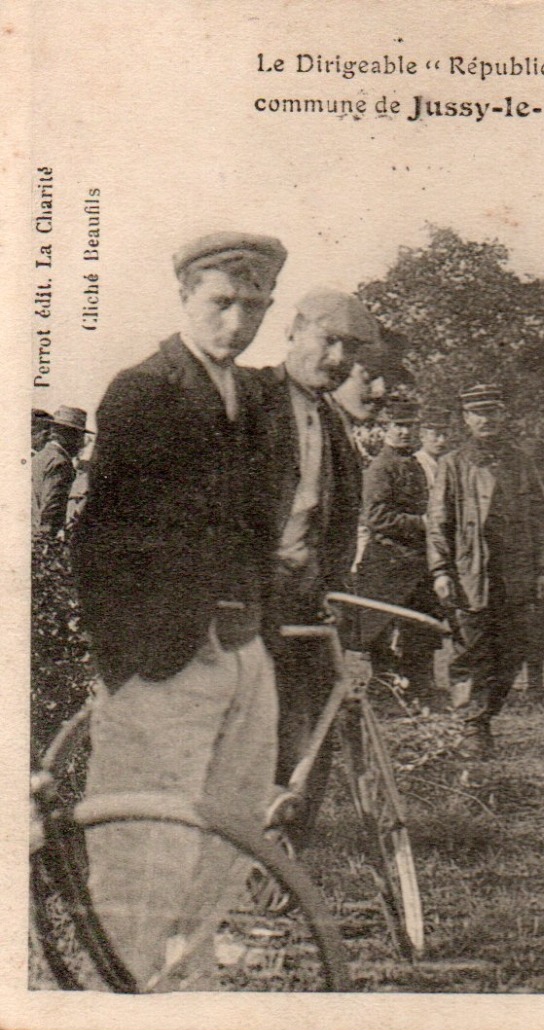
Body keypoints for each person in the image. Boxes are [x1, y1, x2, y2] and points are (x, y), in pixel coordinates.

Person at [71, 231, 286, 988]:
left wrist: (254, 628)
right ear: (186, 299)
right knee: (141, 849)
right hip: (163, 661)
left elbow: (262, 523)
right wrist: (129, 666)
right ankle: (118, 1006)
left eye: (255, 305)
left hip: (244, 650)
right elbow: (100, 541)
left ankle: (189, 993)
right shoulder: (144, 391)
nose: (239, 321)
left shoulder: (262, 399)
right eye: (221, 303)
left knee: (228, 836)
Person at [257, 289, 377, 798]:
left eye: (349, 350)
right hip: (246, 603)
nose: (337, 360)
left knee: (308, 748)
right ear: (293, 330)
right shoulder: (248, 399)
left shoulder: (333, 424)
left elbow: (339, 527)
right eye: (328, 342)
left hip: (306, 604)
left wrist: (331, 591)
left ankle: (285, 860)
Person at [427, 384, 544, 756]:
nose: (487, 419)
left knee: (512, 649)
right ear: (466, 418)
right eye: (479, 413)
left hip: (516, 575)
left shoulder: (521, 464)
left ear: (503, 416)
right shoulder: (452, 464)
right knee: (472, 649)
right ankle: (472, 725)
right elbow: (439, 523)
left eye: (493, 412)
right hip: (472, 573)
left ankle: (483, 716)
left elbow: (541, 521)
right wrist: (441, 571)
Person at [354, 399, 440, 703]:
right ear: (385, 428)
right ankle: (384, 688)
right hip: (388, 561)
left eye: (410, 426)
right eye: (398, 426)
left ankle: (419, 687)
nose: (404, 432)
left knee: (421, 628)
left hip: (415, 562)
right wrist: (422, 523)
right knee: (381, 630)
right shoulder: (381, 467)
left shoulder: (415, 464)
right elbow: (375, 517)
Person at [32, 406, 90, 538]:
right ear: (70, 435)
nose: (81, 443)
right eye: (80, 436)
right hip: (43, 542)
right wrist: (48, 540)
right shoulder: (61, 462)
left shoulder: (39, 457)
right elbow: (51, 508)